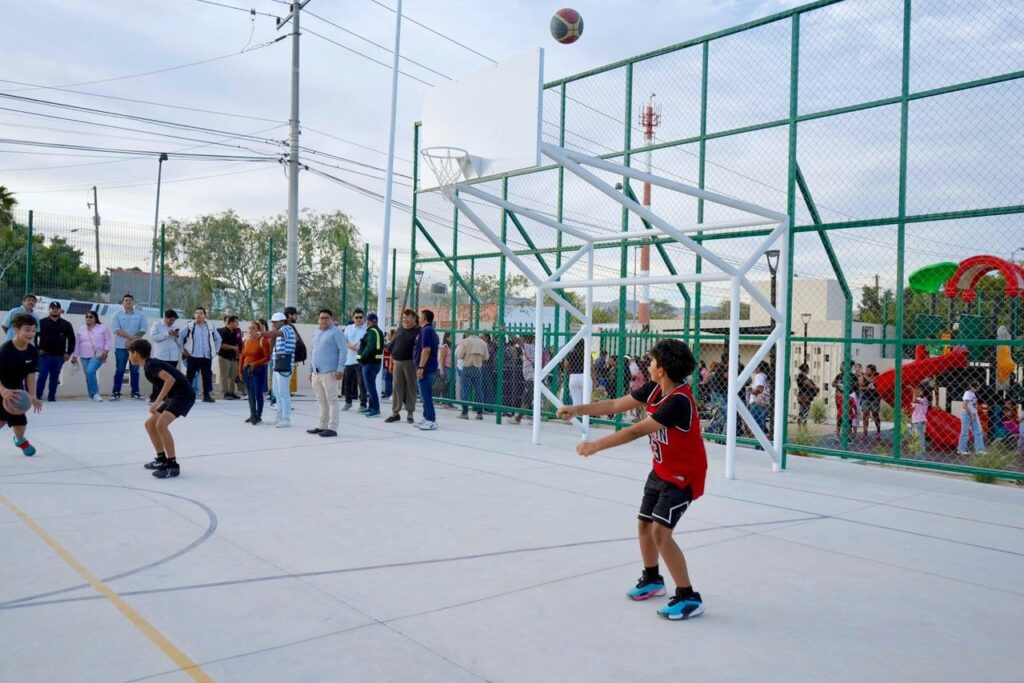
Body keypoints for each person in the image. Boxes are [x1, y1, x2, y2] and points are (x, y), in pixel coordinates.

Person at [557, 339, 706, 621]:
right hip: (661, 470)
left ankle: (689, 597)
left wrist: (595, 446)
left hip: (683, 477)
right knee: (644, 525)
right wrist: (577, 409)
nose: (648, 365)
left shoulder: (679, 402)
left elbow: (636, 431)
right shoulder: (654, 389)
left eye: (652, 361)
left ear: (661, 369)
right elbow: (615, 404)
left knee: (660, 533)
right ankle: (652, 579)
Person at [131, 339, 195, 479]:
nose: (129, 356)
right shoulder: (149, 365)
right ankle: (161, 460)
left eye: (130, 353)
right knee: (150, 424)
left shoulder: (151, 365)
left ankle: (173, 466)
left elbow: (170, 379)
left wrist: (156, 403)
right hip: (175, 395)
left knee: (161, 425)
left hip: (184, 394)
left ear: (135, 353)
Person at [0, 313, 44, 456]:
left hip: (17, 391)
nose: (31, 333)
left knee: (20, 423)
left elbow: (30, 376)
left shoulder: (32, 351)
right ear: (17, 329)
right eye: (27, 330)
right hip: (2, 387)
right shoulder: (5, 350)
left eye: (33, 330)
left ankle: (19, 440)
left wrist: (33, 396)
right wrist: (3, 390)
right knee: (1, 421)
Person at [307, 309, 346, 436]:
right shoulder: (316, 332)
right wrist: (311, 370)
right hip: (316, 374)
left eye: (326, 318)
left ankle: (332, 428)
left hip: (330, 373)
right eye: (321, 318)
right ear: (318, 319)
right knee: (321, 401)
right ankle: (322, 425)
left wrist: (340, 369)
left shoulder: (336, 332)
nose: (323, 320)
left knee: (332, 400)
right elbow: (312, 352)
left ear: (331, 319)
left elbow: (343, 351)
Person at [260, 312, 295, 428]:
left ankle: (286, 419)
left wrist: (262, 333)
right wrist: (271, 338)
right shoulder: (279, 332)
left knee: (284, 393)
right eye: (272, 322)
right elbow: (272, 345)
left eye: (275, 322)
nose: (273, 324)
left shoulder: (287, 328)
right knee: (277, 392)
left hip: (284, 365)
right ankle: (279, 417)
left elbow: (276, 333)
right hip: (277, 365)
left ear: (282, 321)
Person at [35, 302, 76, 402]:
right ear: (49, 309)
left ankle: (51, 397)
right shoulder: (41, 322)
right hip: (44, 355)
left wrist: (68, 353)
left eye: (57, 308)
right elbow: (34, 336)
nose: (54, 310)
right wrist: (37, 349)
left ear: (60, 310)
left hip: (59, 356)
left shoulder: (66, 324)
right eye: (52, 308)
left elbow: (72, 340)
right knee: (42, 376)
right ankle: (37, 396)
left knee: (55, 377)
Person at [110, 294, 147, 401]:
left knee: (135, 370)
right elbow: (116, 330)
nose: (128, 302)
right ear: (122, 302)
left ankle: (135, 392)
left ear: (133, 302)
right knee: (120, 370)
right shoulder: (116, 314)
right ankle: (116, 392)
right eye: (126, 300)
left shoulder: (140, 315)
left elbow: (143, 329)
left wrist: (132, 341)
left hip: (136, 348)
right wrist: (131, 338)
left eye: (130, 300)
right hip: (121, 347)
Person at [385, 309, 420, 424]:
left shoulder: (419, 331)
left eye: (408, 317)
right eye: (404, 317)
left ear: (415, 318)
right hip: (397, 363)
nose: (405, 319)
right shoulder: (399, 330)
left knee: (411, 388)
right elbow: (392, 347)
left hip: (411, 363)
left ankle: (410, 413)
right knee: (396, 387)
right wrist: (391, 363)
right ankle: (395, 413)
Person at [181, 307, 222, 403]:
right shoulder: (190, 326)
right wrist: (182, 350)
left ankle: (206, 395)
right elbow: (179, 336)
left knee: (207, 376)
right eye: (197, 313)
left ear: (205, 315)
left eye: (201, 313)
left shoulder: (210, 326)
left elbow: (218, 339)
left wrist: (216, 351)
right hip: (193, 355)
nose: (198, 315)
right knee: (190, 376)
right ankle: (186, 395)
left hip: (206, 356)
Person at [74, 311, 111, 401]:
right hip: (84, 355)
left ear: (95, 318)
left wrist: (106, 351)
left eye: (91, 317)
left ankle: (95, 393)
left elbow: (108, 340)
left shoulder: (103, 327)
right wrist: (75, 356)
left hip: (98, 355)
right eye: (87, 317)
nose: (88, 318)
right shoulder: (81, 328)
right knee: (88, 374)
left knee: (90, 371)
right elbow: (77, 343)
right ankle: (91, 395)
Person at [239, 319, 271, 425]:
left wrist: (255, 364)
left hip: (258, 370)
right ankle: (252, 415)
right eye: (249, 328)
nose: (251, 330)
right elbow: (242, 356)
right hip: (247, 369)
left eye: (253, 328)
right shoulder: (246, 341)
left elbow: (267, 357)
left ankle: (258, 415)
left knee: (258, 393)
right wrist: (240, 371)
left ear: (258, 330)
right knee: (250, 393)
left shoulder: (263, 340)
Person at [149, 309, 183, 403]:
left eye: (173, 320)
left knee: (171, 378)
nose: (172, 322)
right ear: (165, 317)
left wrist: (177, 336)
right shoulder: (157, 325)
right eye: (170, 320)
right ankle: (155, 397)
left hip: (173, 356)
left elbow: (179, 342)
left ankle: (167, 397)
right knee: (158, 378)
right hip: (161, 356)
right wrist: (167, 333)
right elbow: (154, 337)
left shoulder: (175, 327)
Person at [414, 309, 440, 431]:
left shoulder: (426, 331)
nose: (418, 318)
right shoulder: (428, 330)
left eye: (420, 317)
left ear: (424, 319)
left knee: (426, 395)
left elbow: (426, 349)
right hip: (428, 368)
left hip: (426, 368)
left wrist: (421, 367)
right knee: (424, 395)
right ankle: (426, 417)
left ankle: (431, 420)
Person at [456, 331, 488, 420]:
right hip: (478, 368)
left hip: (467, 367)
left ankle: (465, 413)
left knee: (465, 391)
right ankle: (479, 413)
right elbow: (486, 357)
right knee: (479, 391)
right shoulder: (482, 343)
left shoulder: (465, 341)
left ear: (467, 334)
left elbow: (459, 355)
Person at [358, 312, 385, 418]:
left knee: (370, 387)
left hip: (370, 363)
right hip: (374, 363)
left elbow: (369, 347)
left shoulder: (372, 332)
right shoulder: (377, 331)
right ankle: (371, 407)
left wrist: (361, 357)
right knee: (370, 386)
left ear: (368, 321)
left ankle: (375, 409)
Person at [342, 308, 368, 411]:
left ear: (363, 318)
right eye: (356, 317)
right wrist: (351, 346)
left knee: (362, 383)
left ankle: (363, 404)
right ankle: (348, 402)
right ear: (353, 318)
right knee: (347, 383)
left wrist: (359, 348)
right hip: (349, 360)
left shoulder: (366, 329)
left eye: (360, 317)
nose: (358, 319)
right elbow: (343, 340)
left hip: (360, 360)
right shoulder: (348, 328)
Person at [217, 315, 244, 400]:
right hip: (224, 357)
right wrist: (233, 347)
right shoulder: (222, 331)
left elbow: (238, 343)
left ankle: (232, 392)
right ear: (231, 322)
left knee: (233, 376)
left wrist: (238, 355)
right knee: (224, 376)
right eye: (236, 322)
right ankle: (225, 393)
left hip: (233, 358)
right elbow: (221, 345)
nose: (238, 324)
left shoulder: (236, 331)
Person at [957, 381, 985, 456]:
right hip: (967, 414)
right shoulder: (967, 393)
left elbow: (973, 405)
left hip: (973, 414)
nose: (978, 388)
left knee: (978, 431)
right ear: (971, 386)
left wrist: (974, 413)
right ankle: (961, 449)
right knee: (965, 432)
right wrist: (971, 414)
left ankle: (979, 450)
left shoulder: (973, 394)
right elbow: (964, 406)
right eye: (976, 387)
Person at [515, 336, 536, 425]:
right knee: (533, 398)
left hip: (530, 377)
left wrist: (507, 332)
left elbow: (517, 341)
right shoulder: (536, 348)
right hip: (534, 377)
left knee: (527, 399)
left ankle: (518, 419)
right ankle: (534, 418)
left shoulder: (529, 347)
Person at [747, 361, 772, 440]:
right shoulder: (766, 376)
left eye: (756, 366)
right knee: (761, 422)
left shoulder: (759, 376)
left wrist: (750, 390)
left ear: (759, 368)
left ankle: (759, 442)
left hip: (756, 402)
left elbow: (759, 389)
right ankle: (763, 439)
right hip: (764, 402)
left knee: (756, 424)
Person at [859, 364, 882, 436]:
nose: (866, 371)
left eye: (868, 370)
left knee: (875, 414)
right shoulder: (863, 377)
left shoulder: (878, 376)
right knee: (865, 414)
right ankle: (865, 432)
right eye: (866, 370)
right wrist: (866, 388)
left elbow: (874, 381)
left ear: (873, 371)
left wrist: (865, 376)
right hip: (866, 398)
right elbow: (860, 387)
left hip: (875, 398)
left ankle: (878, 429)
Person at [794, 363, 818, 428]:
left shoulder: (801, 376)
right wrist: (814, 387)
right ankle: (803, 426)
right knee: (805, 411)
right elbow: (808, 383)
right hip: (805, 395)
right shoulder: (802, 376)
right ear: (807, 369)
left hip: (803, 395)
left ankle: (800, 426)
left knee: (802, 411)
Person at [563, 339, 586, 406]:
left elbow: (565, 364)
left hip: (574, 376)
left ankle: (576, 412)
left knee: (576, 402)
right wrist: (594, 380)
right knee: (585, 401)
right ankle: (584, 412)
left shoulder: (571, 354)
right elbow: (591, 367)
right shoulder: (586, 354)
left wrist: (570, 370)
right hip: (584, 376)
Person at [911, 385, 929, 454]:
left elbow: (914, 401)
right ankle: (920, 451)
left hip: (918, 421)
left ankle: (919, 452)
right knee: (920, 436)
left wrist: (913, 392)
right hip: (919, 420)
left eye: (920, 390)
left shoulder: (923, 400)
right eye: (918, 390)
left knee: (919, 437)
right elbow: (913, 405)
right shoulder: (923, 399)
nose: (918, 392)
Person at [381, 330, 394, 400]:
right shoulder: (389, 342)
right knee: (387, 378)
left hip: (390, 363)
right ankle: (387, 392)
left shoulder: (391, 343)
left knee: (388, 378)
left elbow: (387, 349)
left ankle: (389, 393)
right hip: (386, 363)